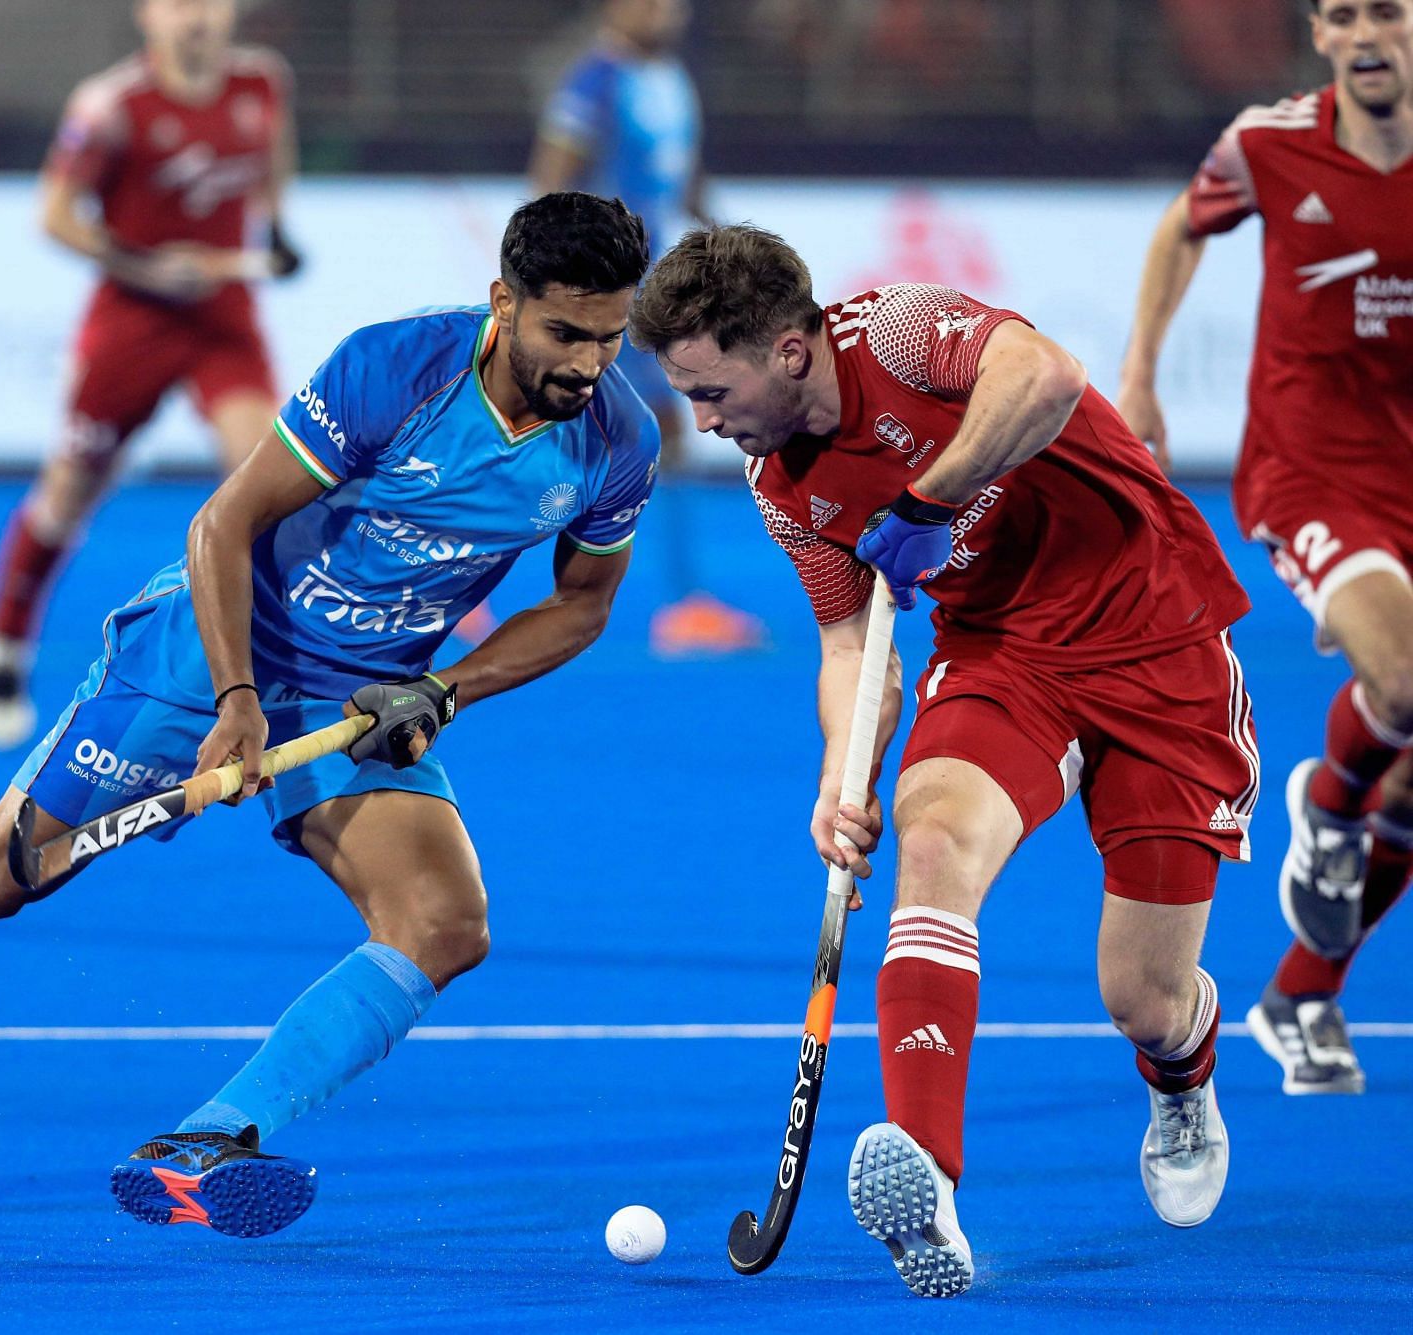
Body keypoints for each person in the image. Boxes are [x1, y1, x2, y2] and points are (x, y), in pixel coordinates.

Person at [0, 193, 658, 1239]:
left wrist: (444, 688)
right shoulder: (395, 371)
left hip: (359, 697)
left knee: (444, 924)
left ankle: (209, 1140)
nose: (588, 365)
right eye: (565, 334)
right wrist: (232, 702)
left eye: (610, 337)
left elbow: (582, 605)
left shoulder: (612, 441)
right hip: (205, 655)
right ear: (504, 303)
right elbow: (223, 524)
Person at [631, 226, 1259, 1297]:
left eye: (708, 388)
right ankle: (930, 1179)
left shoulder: (903, 333)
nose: (700, 420)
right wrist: (844, 777)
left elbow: (1046, 377)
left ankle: (1182, 1070)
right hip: (1003, 660)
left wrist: (927, 501)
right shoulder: (781, 484)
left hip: (1161, 648)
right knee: (933, 841)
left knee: (1142, 997)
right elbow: (848, 648)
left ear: (786, 351)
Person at [1118, 0, 1413, 1096]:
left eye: (1387, 8)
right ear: (1321, 34)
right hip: (1314, 471)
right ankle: (1328, 810)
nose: (1366, 31)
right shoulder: (1271, 144)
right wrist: (1141, 370)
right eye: (1343, 14)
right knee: (1407, 678)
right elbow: (1180, 228)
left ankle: (1300, 994)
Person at [0, 0, 302, 750]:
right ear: (145, 14)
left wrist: (276, 229)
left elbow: (273, 160)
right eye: (179, 4)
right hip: (132, 322)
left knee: (267, 487)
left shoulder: (262, 84)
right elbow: (54, 213)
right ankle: (4, 642)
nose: (198, 19)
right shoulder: (112, 105)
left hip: (224, 318)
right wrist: (144, 265)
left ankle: (270, 675)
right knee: (70, 491)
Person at [531, 0, 763, 657]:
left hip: (651, 289)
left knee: (620, 436)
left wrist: (728, 241)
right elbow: (549, 183)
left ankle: (685, 601)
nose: (662, 10)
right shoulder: (592, 82)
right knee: (632, 433)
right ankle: (685, 602)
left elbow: (678, 181)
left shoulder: (671, 80)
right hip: (608, 290)